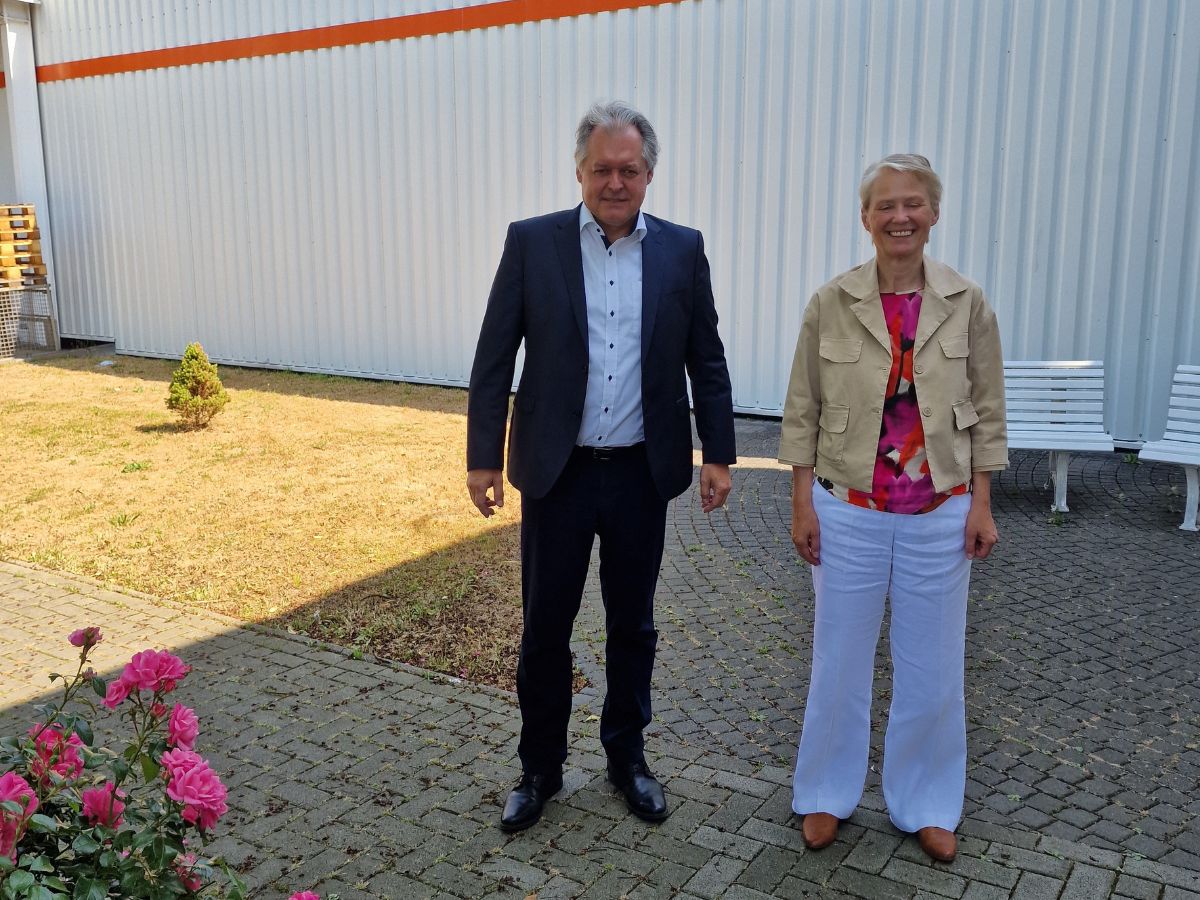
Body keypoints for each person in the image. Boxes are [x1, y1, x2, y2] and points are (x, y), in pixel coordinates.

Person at [467, 100, 737, 833]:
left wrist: (718, 453)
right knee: (545, 627)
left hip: (639, 476)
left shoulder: (682, 250)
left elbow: (704, 359)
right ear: (579, 172)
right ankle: (540, 767)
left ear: (649, 174)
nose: (615, 182)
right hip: (558, 475)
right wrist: (482, 459)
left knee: (634, 626)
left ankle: (627, 756)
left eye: (629, 169)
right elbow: (495, 357)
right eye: (601, 169)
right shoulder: (534, 243)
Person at [778, 154, 1008, 862]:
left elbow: (989, 414)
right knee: (838, 661)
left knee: (933, 669)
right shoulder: (831, 301)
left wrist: (982, 505)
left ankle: (927, 803)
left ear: (933, 214)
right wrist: (800, 503)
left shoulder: (967, 303)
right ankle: (824, 794)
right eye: (885, 205)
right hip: (846, 507)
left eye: (913, 203)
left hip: (940, 511)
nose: (899, 216)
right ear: (866, 217)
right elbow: (802, 409)